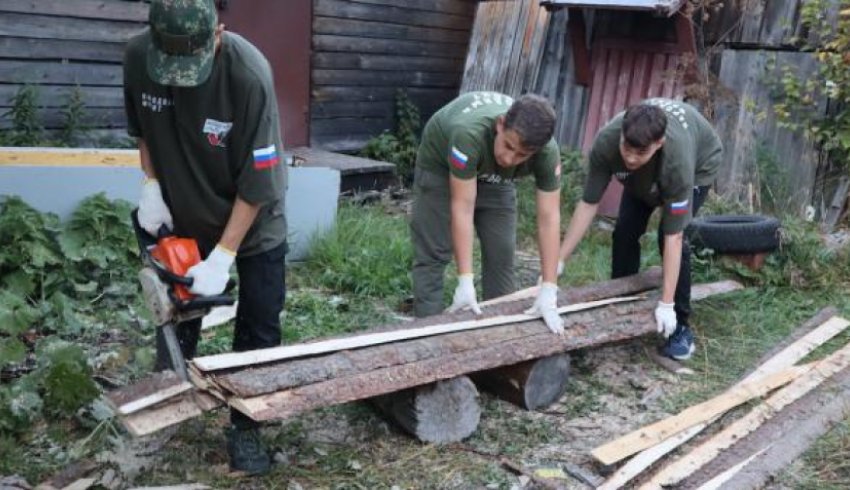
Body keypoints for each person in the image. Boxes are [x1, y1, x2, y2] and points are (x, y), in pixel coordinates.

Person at [124, 0, 287, 475]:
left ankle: (247, 423)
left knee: (259, 322)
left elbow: (258, 184)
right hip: (182, 207)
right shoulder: (137, 57)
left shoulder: (249, 76)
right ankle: (167, 399)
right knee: (177, 315)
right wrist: (151, 185)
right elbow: (144, 131)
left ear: (218, 32)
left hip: (252, 220)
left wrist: (223, 258)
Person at [557, 98, 722, 360]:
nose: (631, 158)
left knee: (666, 236)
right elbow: (589, 204)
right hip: (647, 175)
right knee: (625, 231)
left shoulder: (677, 163)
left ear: (659, 144)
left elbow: (674, 236)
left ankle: (679, 325)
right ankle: (622, 306)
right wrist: (559, 260)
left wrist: (666, 304)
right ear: (621, 135)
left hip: (699, 164)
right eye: (627, 148)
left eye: (640, 153)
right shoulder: (607, 143)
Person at [411, 91, 564, 334]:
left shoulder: (547, 153)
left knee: (501, 252)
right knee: (434, 250)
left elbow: (549, 218)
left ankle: (496, 333)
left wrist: (548, 289)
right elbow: (463, 206)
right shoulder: (468, 133)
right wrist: (465, 279)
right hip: (441, 166)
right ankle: (427, 331)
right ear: (500, 125)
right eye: (508, 146)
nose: (509, 158)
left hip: (497, 181)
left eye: (522, 155)